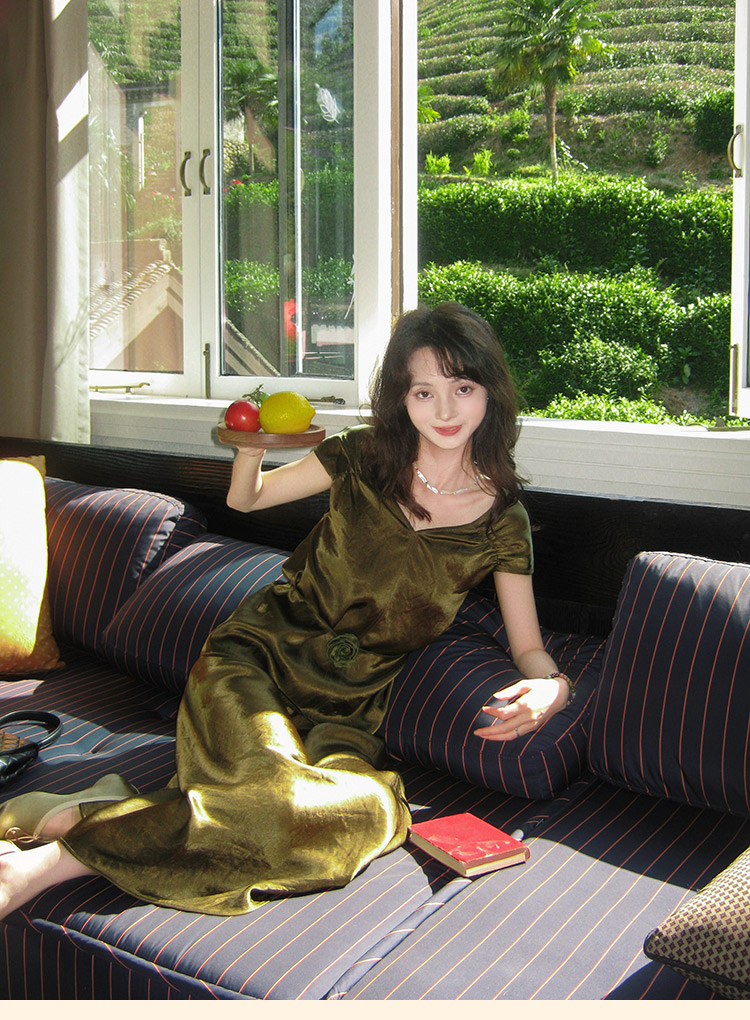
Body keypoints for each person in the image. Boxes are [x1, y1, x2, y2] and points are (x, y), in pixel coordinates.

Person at [0, 301, 572, 920]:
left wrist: (554, 687)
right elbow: (248, 500)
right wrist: (251, 446)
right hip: (256, 662)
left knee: (370, 814)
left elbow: (527, 648)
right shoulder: (361, 455)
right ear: (400, 400)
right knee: (267, 797)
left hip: (348, 707)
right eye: (423, 392)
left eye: (462, 388)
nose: (445, 411)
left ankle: (95, 813)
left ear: (490, 393)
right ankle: (43, 866)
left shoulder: (503, 520)